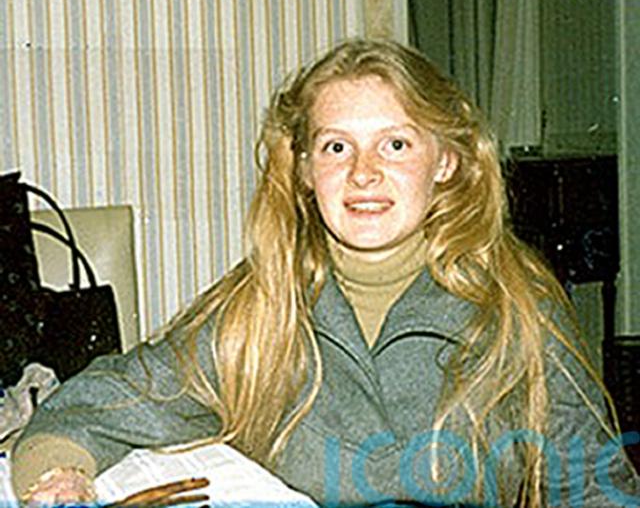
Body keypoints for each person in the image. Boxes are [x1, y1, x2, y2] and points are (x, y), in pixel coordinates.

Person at [10, 39, 640, 507]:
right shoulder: (261, 309)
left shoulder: (519, 309)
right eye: (337, 147)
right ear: (306, 170)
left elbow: (595, 486)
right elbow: (94, 406)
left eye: (396, 144)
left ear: (446, 161)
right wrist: (61, 477)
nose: (363, 173)